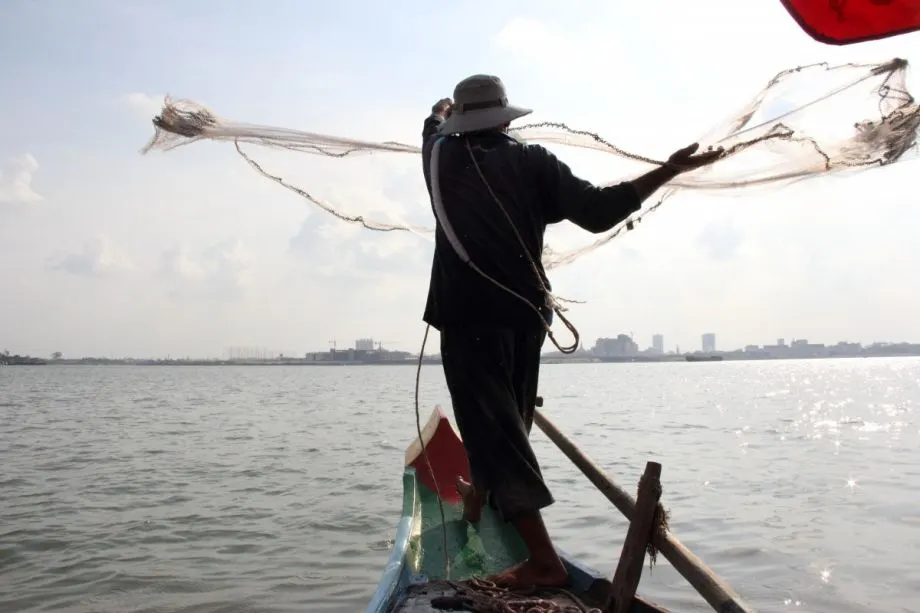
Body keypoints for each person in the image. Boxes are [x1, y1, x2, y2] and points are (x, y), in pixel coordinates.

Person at [420, 74, 722, 588]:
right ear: (504, 119)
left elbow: (431, 125)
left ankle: (543, 562)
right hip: (525, 314)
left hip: (469, 315)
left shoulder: (439, 158)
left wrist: (440, 112)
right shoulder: (533, 161)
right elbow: (599, 211)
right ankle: (481, 499)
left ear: (460, 121)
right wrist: (668, 170)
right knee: (510, 420)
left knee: (494, 428)